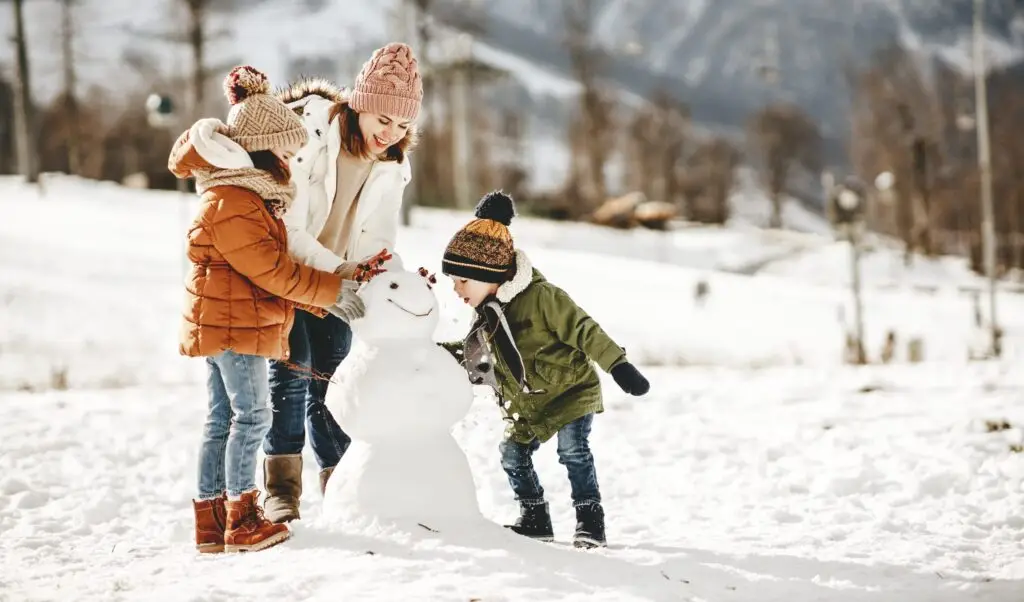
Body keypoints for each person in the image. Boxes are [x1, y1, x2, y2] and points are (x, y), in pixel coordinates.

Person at [169, 65, 367, 554]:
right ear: (259, 146)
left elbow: (267, 273)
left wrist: (315, 300)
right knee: (253, 417)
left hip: (229, 323)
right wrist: (329, 291)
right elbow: (271, 269)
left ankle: (211, 525)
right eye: (283, 149)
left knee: (221, 420)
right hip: (234, 328)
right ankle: (242, 517)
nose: (289, 159)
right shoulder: (234, 199)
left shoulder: (243, 196)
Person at [260, 42, 423, 524]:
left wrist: (397, 284)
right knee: (293, 372)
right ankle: (282, 489)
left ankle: (342, 483)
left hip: (340, 282)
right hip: (288, 270)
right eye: (383, 120)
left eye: (402, 126)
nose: (390, 134)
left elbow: (379, 239)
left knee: (333, 380)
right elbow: (286, 223)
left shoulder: (392, 163)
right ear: (361, 105)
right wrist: (336, 272)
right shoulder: (309, 133)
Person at [438, 191, 651, 549]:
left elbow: (585, 329)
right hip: (529, 404)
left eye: (463, 281)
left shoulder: (542, 298)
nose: (456, 289)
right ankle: (535, 518)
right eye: (453, 282)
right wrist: (427, 356)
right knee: (512, 454)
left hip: (570, 392)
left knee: (573, 452)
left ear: (489, 274)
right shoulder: (487, 313)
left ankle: (589, 522)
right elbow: (474, 356)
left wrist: (619, 365)